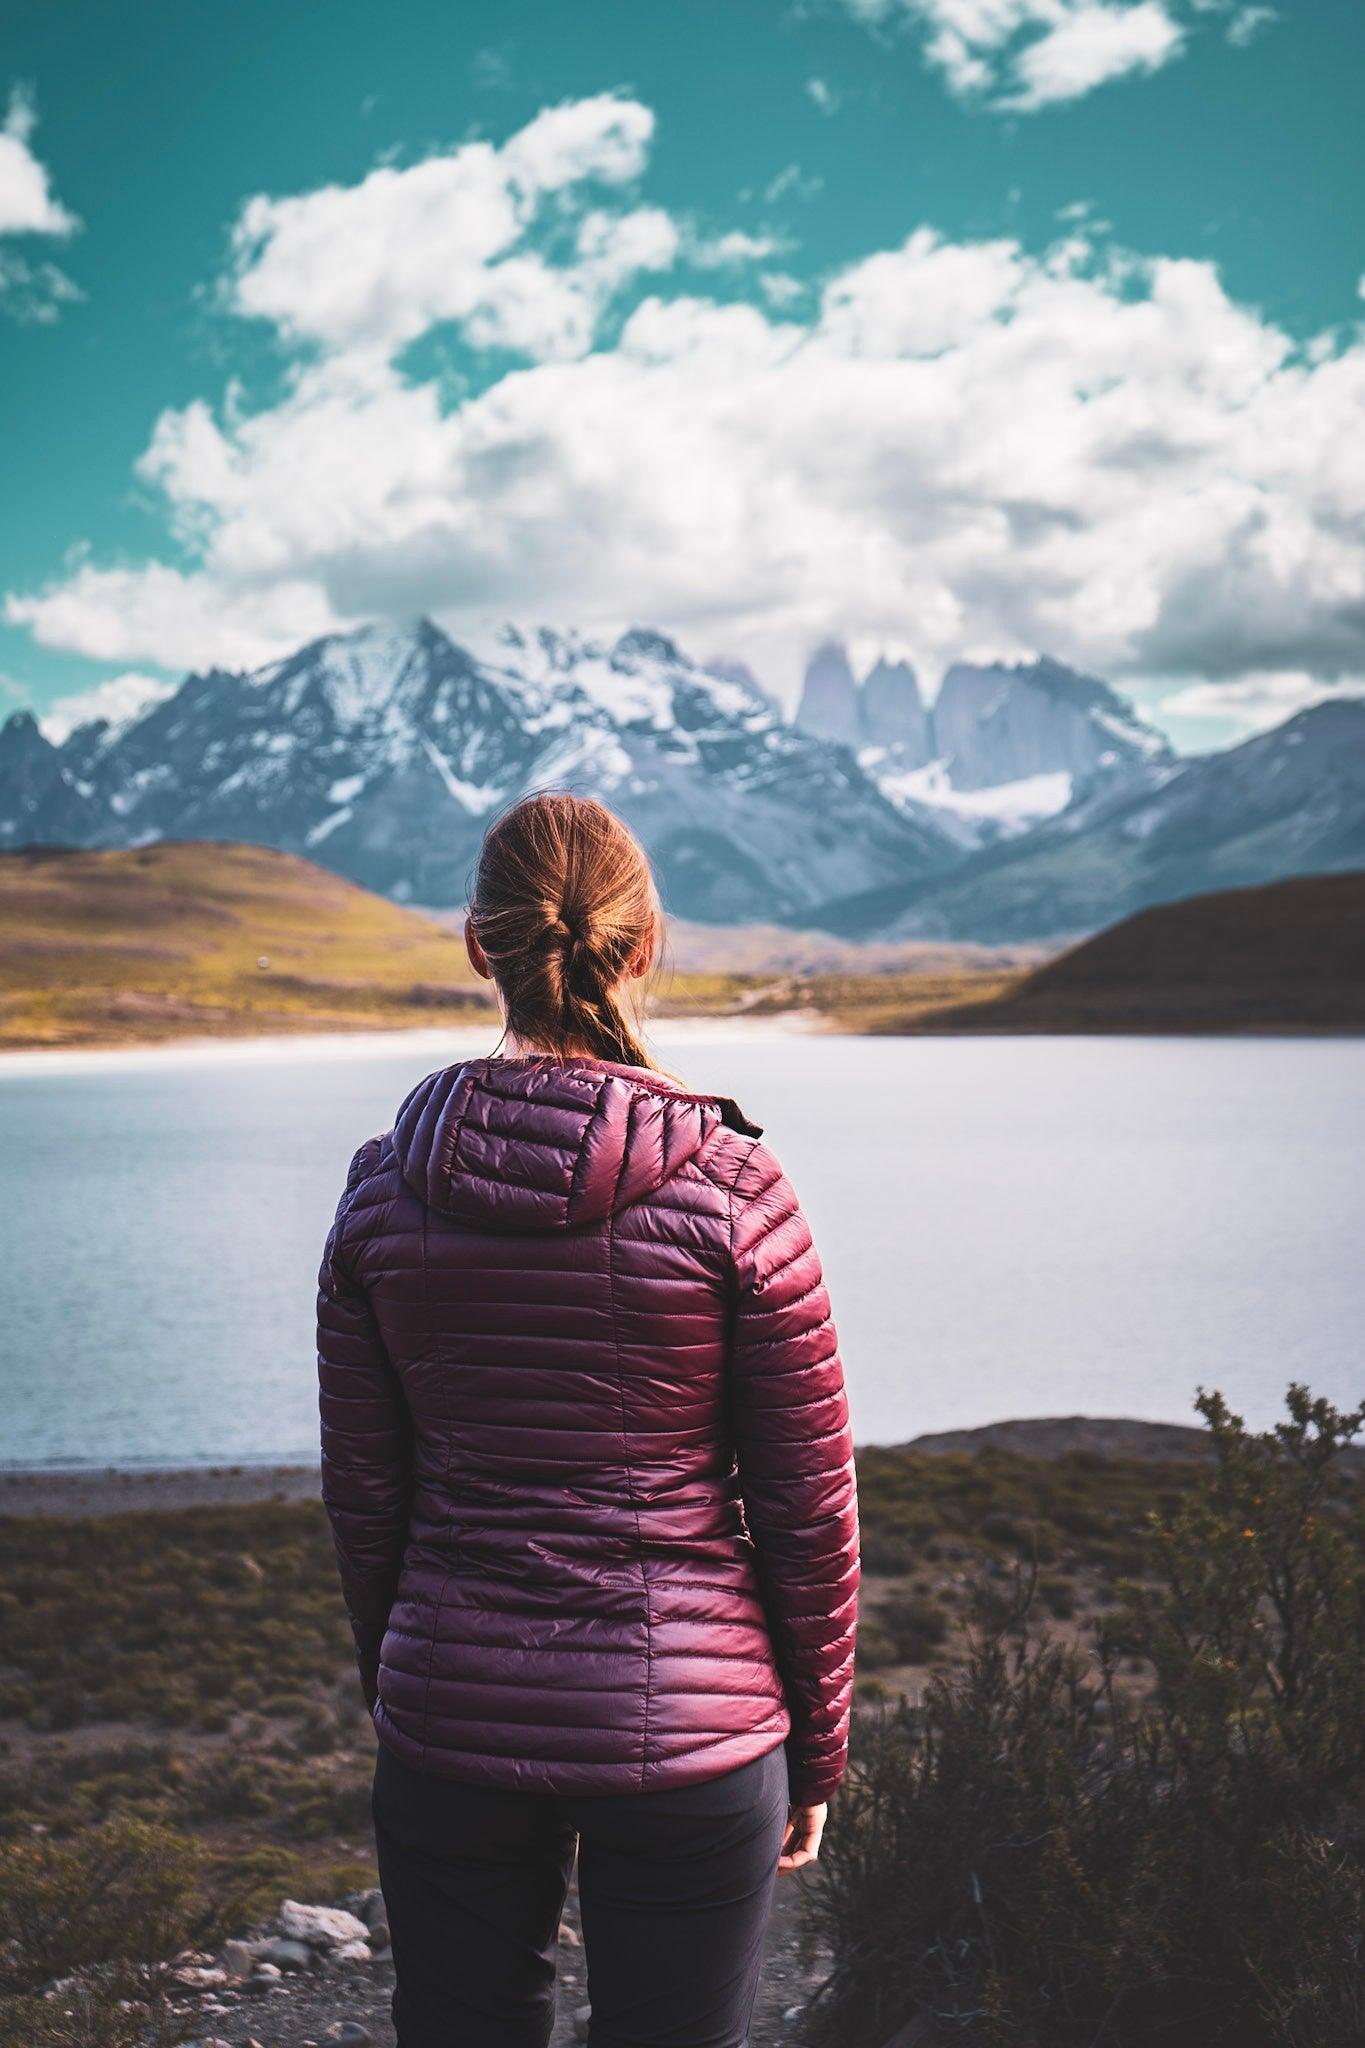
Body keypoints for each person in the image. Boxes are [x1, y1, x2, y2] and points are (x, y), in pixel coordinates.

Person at [317, 791, 859, 2048]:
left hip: (450, 1709)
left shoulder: (383, 1185)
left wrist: (404, 1681)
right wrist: (816, 1750)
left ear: (478, 946)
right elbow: (807, 1501)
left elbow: (365, 1489)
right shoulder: (735, 1187)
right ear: (642, 944)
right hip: (697, 1723)